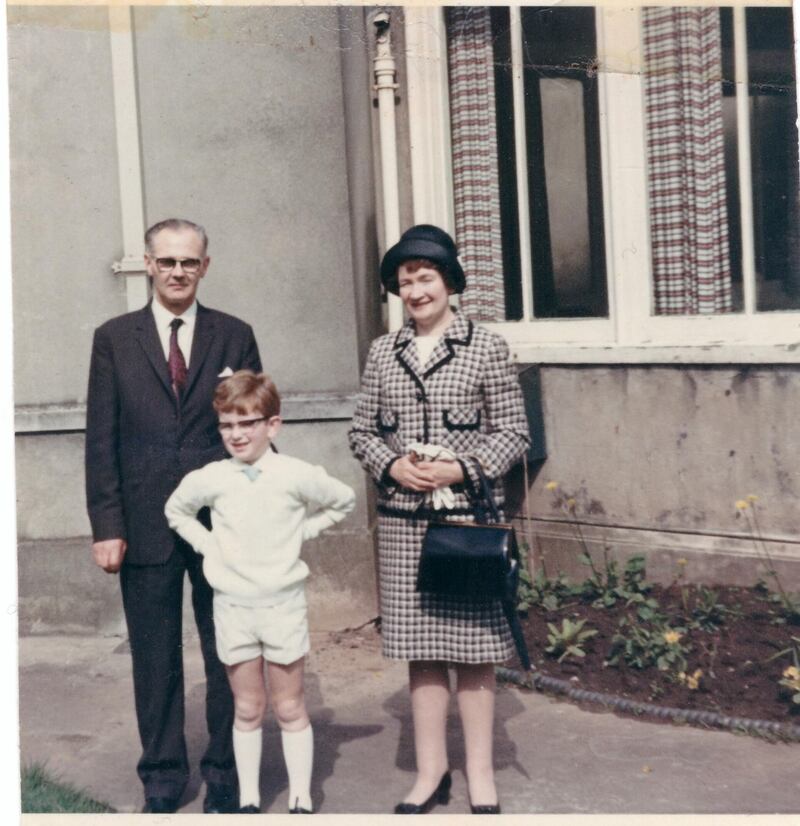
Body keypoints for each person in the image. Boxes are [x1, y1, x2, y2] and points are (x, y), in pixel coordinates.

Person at [349, 224, 530, 815]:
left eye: (426, 278)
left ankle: (479, 772)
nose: (416, 291)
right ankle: (431, 772)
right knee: (423, 650)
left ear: (449, 282)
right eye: (406, 282)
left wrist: (462, 469)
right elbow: (360, 432)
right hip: (404, 523)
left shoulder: (486, 347)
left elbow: (514, 434)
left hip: (467, 523)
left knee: (473, 651)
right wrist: (393, 465)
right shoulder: (384, 352)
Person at [85, 218, 262, 814]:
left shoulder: (234, 335)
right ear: (149, 264)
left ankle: (227, 773)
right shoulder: (114, 339)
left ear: (205, 266)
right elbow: (101, 439)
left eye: (189, 262)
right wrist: (108, 526)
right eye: (167, 261)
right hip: (144, 522)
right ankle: (161, 776)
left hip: (221, 524)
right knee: (155, 657)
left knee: (228, 651)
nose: (178, 272)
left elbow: (254, 431)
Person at [165, 370, 356, 814]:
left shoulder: (295, 474)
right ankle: (250, 798)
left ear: (272, 425)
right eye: (227, 425)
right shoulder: (212, 477)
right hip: (233, 607)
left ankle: (301, 796)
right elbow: (176, 510)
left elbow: (343, 500)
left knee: (289, 706)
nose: (236, 434)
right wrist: (208, 544)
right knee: (248, 707)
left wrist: (303, 531)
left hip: (282, 606)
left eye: (247, 423)